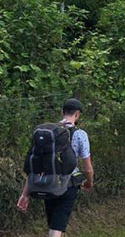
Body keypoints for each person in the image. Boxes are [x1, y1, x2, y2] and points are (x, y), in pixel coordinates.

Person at [17, 98, 94, 237]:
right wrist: (89, 182)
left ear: (62, 112)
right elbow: (87, 168)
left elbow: (35, 163)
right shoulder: (80, 134)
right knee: (57, 226)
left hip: (47, 183)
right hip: (68, 185)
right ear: (77, 114)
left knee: (53, 224)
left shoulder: (47, 133)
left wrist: (25, 194)